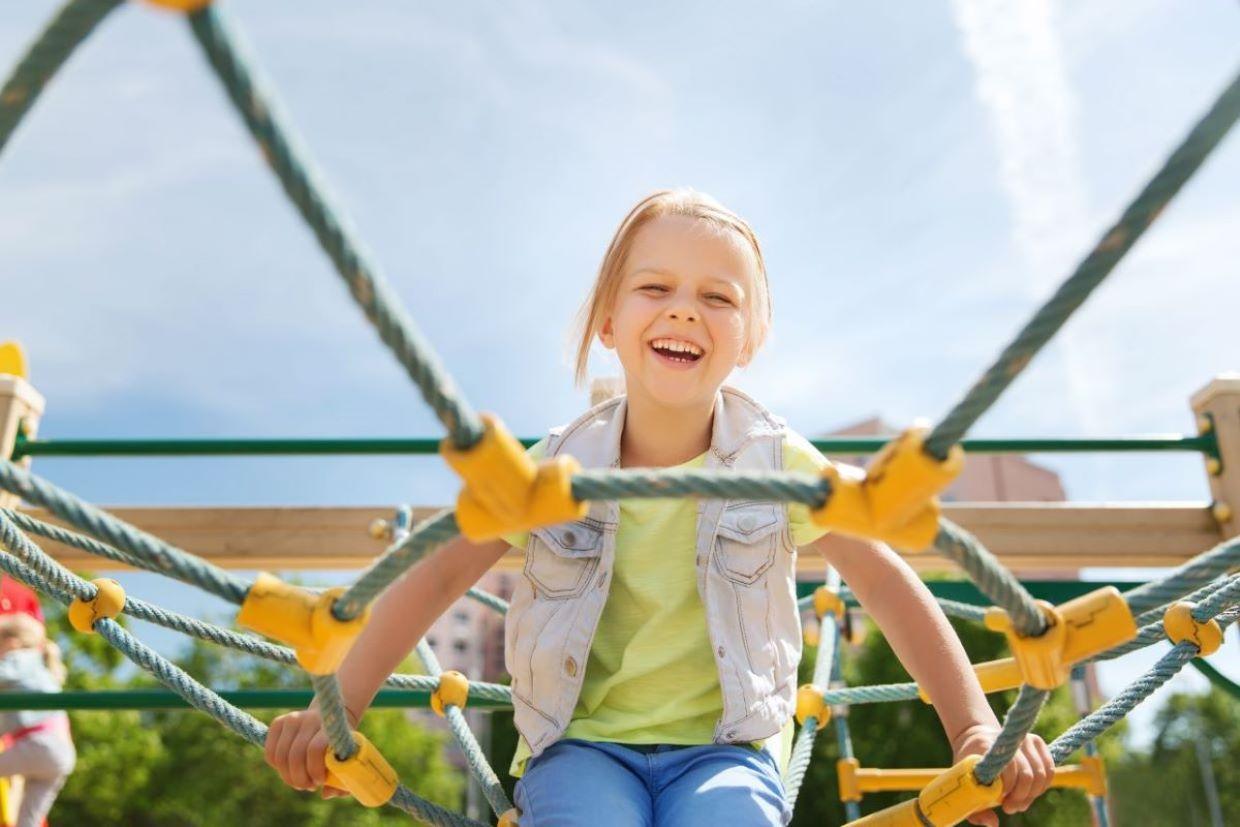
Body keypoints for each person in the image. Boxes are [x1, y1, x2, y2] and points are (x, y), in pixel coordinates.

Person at [265, 189, 1054, 825]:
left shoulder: (779, 463)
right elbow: (437, 577)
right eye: (655, 288)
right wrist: (340, 708)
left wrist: (973, 725)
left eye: (718, 296)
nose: (684, 310)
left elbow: (885, 585)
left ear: (749, 337)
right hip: (581, 747)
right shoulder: (553, 468)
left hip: (727, 751)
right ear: (609, 320)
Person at [0, 613, 74, 827]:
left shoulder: (22, 657)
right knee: (28, 820)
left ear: (11, 642)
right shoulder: (40, 667)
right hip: (60, 754)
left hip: (39, 744)